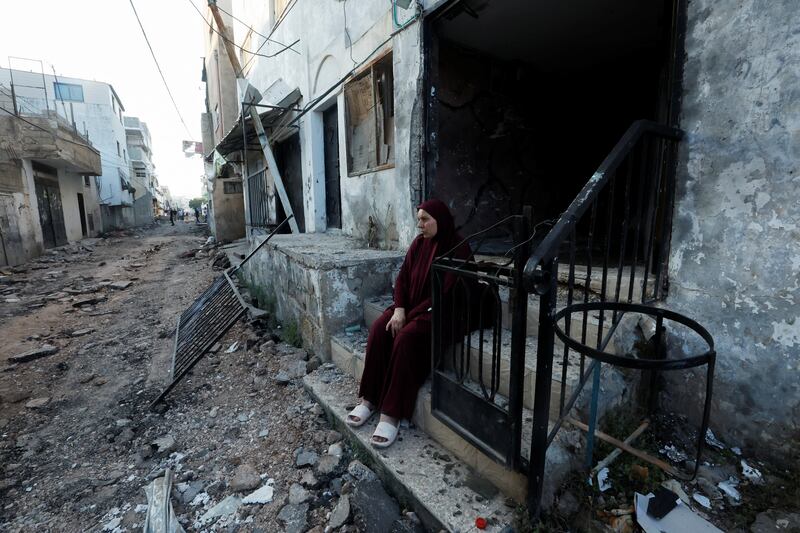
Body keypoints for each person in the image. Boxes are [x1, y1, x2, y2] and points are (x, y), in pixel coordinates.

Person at [346, 199, 471, 448]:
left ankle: (392, 413)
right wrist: (400, 309)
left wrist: (409, 315)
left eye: (425, 220)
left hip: (441, 312)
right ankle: (369, 399)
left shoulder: (458, 248)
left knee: (406, 338)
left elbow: (445, 295)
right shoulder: (418, 244)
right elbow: (402, 278)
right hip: (412, 307)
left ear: (440, 219)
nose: (420, 225)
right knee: (379, 329)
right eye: (418, 220)